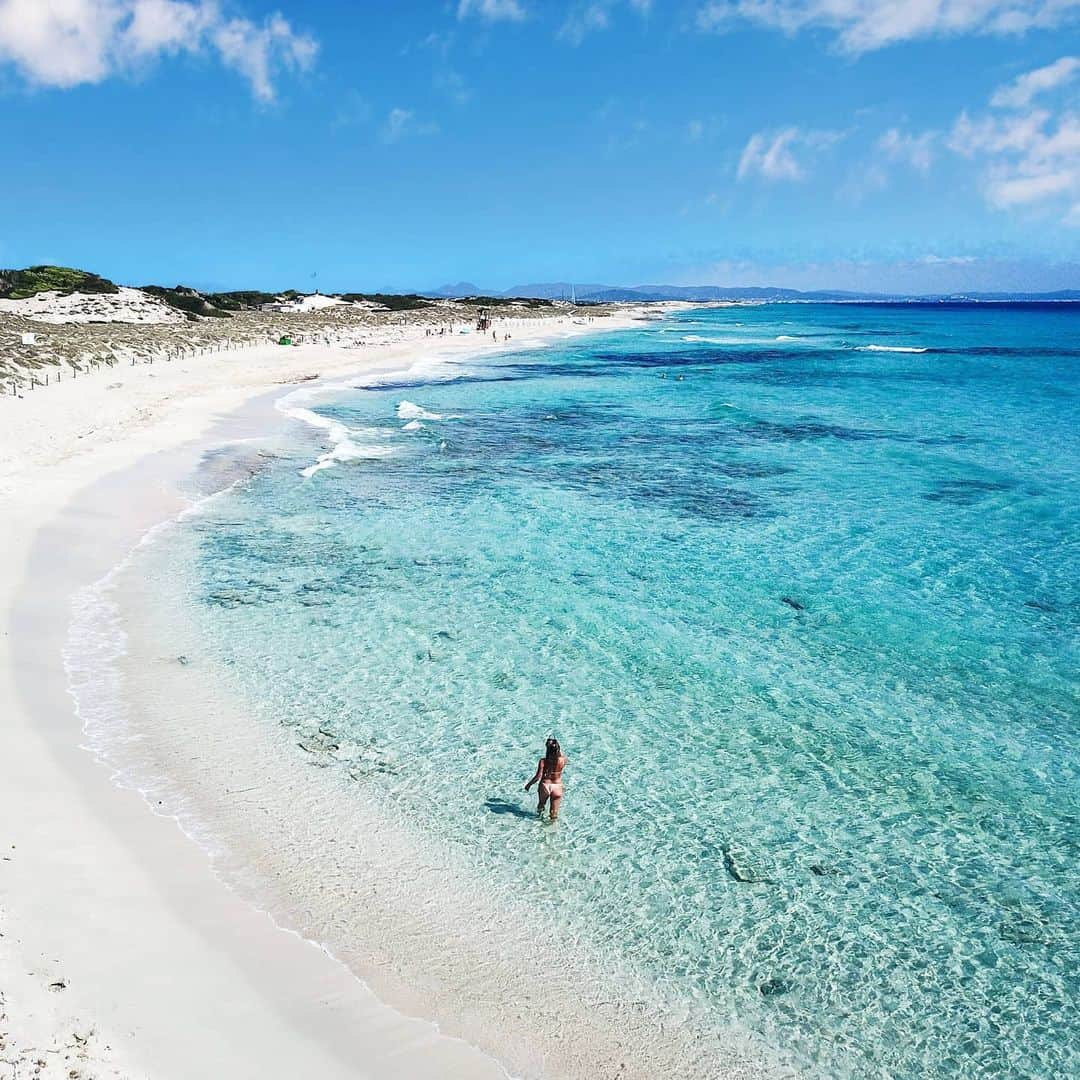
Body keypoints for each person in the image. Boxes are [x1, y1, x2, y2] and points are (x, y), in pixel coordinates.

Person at [525, 737, 566, 821]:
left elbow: (538, 777)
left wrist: (529, 785)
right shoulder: (563, 760)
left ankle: (539, 820)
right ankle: (552, 828)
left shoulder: (543, 761)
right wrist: (556, 748)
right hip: (557, 786)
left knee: (541, 804)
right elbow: (559, 755)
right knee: (554, 812)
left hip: (545, 785)